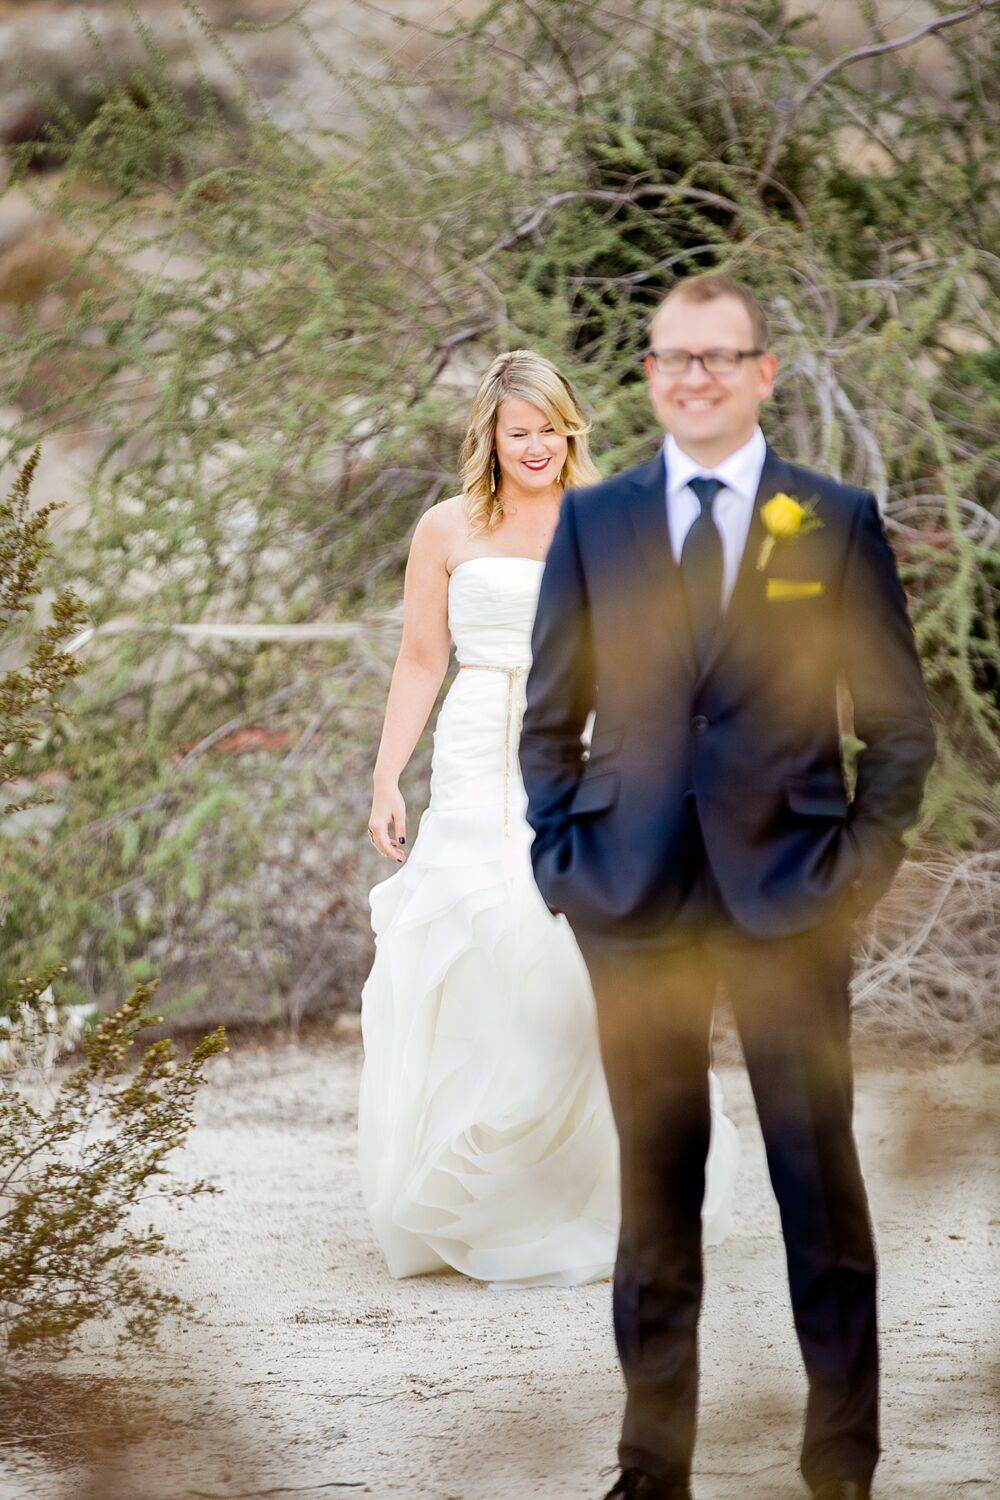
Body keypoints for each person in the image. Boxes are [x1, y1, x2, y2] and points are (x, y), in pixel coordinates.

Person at [519, 274, 935, 1499]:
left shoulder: (834, 518)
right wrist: (566, 863)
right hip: (631, 904)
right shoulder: (594, 523)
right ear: (648, 377)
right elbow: (550, 722)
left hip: (792, 899)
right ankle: (652, 1466)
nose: (693, 377)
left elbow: (899, 732)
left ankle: (840, 1460)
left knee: (818, 1180)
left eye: (719, 356)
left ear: (762, 372)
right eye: (671, 359)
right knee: (655, 1188)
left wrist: (852, 872)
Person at [358, 349, 740, 1289]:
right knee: (479, 933)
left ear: (572, 427)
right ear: (491, 436)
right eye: (518, 432)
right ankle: (476, 1191)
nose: (536, 447)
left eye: (550, 429)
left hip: (586, 745)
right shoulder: (446, 527)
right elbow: (418, 657)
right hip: (478, 743)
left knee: (579, 948)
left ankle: (601, 1191)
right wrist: (386, 775)